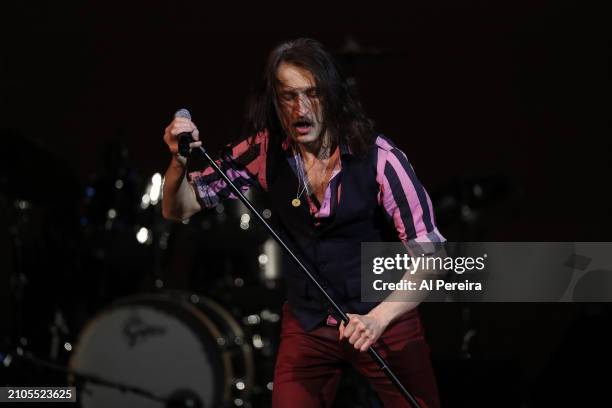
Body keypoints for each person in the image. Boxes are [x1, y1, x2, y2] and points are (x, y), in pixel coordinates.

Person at [162, 38, 444, 408]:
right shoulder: (263, 152)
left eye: (312, 94)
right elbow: (178, 209)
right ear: (274, 102)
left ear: (332, 96)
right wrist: (179, 161)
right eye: (288, 96)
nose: (301, 108)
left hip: (383, 318)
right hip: (309, 324)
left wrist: (378, 318)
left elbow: (433, 255)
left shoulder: (381, 159)